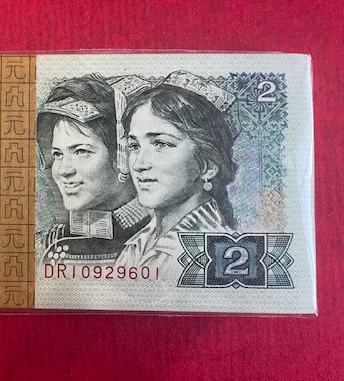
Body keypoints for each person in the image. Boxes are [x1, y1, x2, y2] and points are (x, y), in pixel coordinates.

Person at [115, 71, 238, 281]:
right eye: (134, 146)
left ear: (207, 165)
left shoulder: (217, 253)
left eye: (161, 144)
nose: (138, 164)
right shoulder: (138, 243)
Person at [36, 74, 151, 267]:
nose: (63, 170)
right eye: (58, 154)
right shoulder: (47, 245)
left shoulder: (163, 240)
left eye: (81, 151)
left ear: (123, 155)